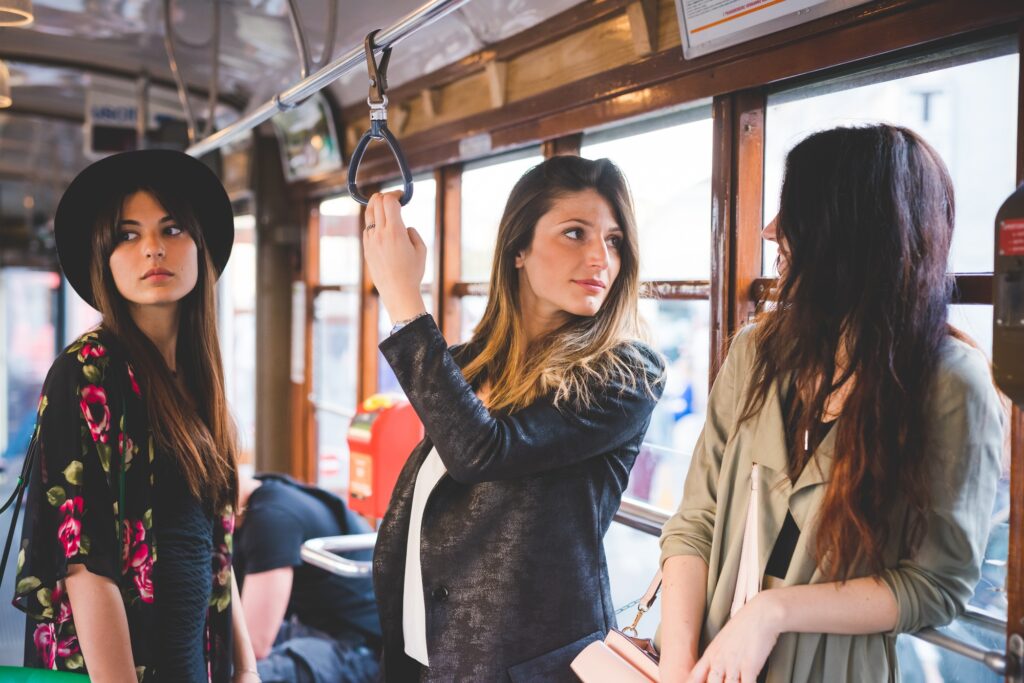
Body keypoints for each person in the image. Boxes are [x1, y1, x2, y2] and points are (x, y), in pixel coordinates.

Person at [657, 124, 1005, 683]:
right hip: (702, 660)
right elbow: (694, 520)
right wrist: (676, 668)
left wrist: (773, 613)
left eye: (792, 213)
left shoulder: (951, 383)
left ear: (849, 232)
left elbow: (937, 585)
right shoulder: (756, 351)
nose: (772, 232)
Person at [361, 155, 666, 681]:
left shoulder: (626, 373)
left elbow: (483, 451)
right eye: (576, 233)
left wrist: (403, 301)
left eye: (614, 241)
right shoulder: (465, 364)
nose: (600, 257)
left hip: (521, 668)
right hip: (418, 655)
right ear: (518, 249)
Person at [12, 149, 258, 682]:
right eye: (128, 235)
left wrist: (246, 669)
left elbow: (214, 544)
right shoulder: (86, 372)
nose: (153, 249)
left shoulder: (198, 380)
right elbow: (83, 566)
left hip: (191, 660)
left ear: (199, 246)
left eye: (172, 229)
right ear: (104, 257)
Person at [233, 472, 381, 683]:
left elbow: (254, 644)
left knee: (234, 673)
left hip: (361, 648)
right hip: (314, 627)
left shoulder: (272, 518)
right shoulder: (265, 490)